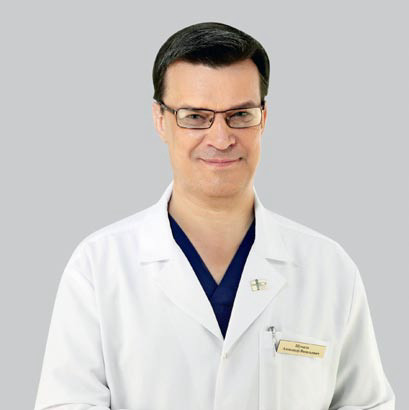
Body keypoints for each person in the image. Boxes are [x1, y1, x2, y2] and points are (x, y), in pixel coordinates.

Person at [34, 22, 395, 410]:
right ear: (160, 119)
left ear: (263, 118)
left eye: (240, 114)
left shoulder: (329, 269)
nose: (221, 139)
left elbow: (366, 405)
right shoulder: (98, 267)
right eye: (194, 116)